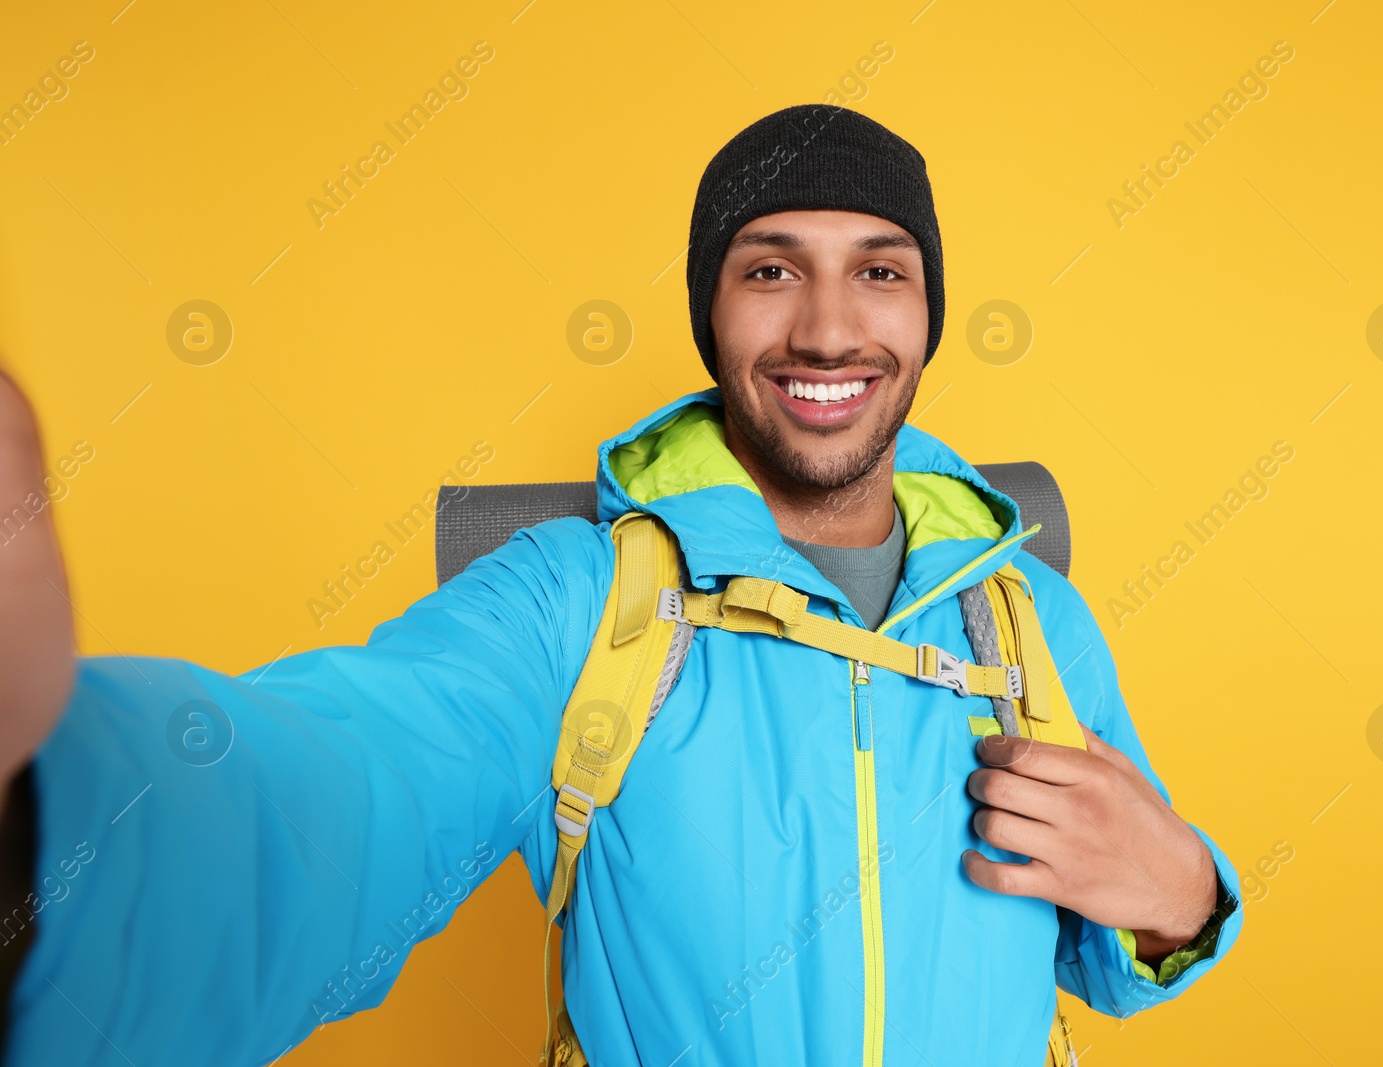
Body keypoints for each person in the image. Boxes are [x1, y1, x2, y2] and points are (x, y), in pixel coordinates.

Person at [0, 104, 1241, 1066]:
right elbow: (347, 789)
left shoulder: (1027, 616)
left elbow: (1116, 943)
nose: (825, 330)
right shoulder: (577, 603)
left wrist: (1185, 892)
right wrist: (45, 815)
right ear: (709, 308)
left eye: (879, 269)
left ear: (927, 313)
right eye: (768, 270)